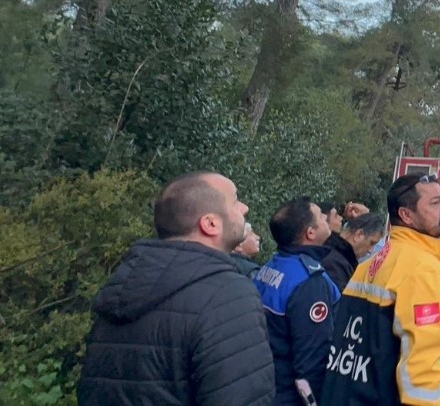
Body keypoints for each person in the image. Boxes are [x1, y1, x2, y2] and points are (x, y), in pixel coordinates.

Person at [78, 171, 275, 405]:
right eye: (235, 201)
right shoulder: (229, 294)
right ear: (211, 224)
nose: (244, 208)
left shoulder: (122, 285)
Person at [321, 173, 440, 405]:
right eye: (434, 203)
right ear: (406, 214)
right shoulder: (423, 269)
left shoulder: (373, 261)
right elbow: (422, 370)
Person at [254, 198, 340, 406]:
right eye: (321, 215)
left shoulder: (271, 267)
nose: (326, 218)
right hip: (291, 396)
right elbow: (313, 360)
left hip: (268, 386)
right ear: (310, 233)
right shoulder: (309, 282)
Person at [322, 212, 386, 290]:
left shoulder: (331, 253)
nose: (371, 250)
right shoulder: (336, 265)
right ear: (359, 235)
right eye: (371, 243)